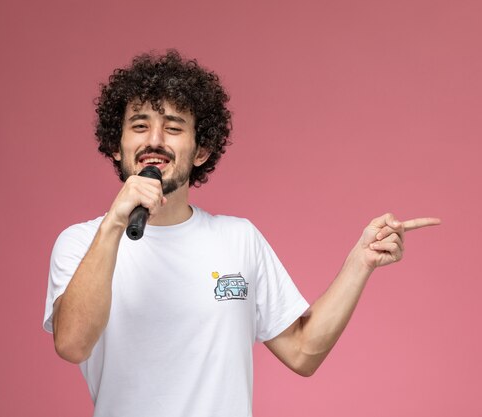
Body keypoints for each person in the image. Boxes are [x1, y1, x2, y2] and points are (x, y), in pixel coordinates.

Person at [43, 50, 440, 417]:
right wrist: (116, 222)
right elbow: (72, 344)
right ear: (117, 144)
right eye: (140, 125)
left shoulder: (239, 240)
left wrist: (361, 262)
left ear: (201, 151)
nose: (155, 140)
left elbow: (303, 352)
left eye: (174, 127)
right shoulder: (81, 243)